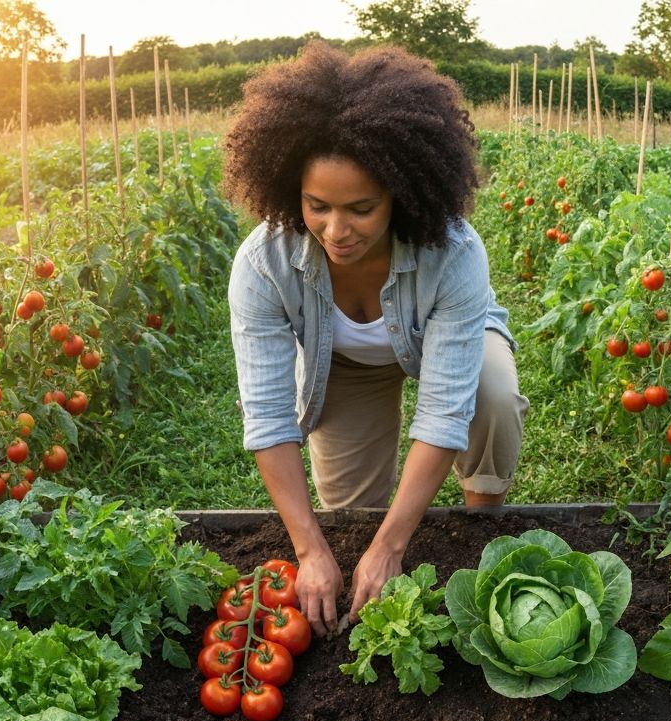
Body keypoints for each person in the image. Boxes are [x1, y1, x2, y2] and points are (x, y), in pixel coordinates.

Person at [225, 41, 528, 637]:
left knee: (490, 393)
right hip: (342, 366)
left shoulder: (453, 252)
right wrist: (311, 550)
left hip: (440, 340)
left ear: (402, 193)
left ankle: (478, 535)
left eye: (361, 208)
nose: (337, 230)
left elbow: (445, 409)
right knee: (349, 517)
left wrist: (394, 548)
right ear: (292, 193)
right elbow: (266, 414)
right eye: (318, 206)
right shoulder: (265, 262)